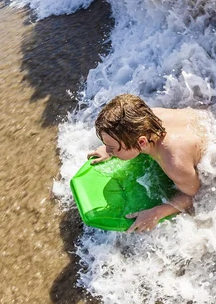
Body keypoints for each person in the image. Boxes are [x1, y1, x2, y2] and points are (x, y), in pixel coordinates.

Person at [87, 94, 207, 233]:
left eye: (112, 147)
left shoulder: (174, 162)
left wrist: (158, 212)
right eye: (106, 144)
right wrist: (111, 148)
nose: (108, 150)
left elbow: (197, 195)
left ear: (142, 142)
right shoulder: (143, 119)